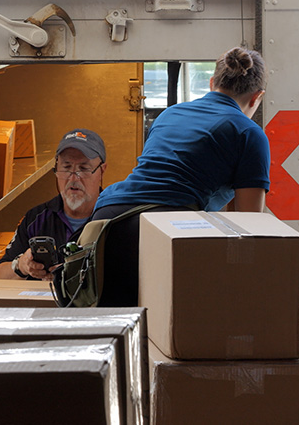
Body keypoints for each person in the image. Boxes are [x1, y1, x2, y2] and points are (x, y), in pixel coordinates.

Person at [91, 47, 270, 306]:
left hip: (108, 217)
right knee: (169, 322)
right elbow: (249, 223)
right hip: (165, 225)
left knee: (110, 320)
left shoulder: (170, 114)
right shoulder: (248, 132)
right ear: (257, 97)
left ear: (212, 83)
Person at [0, 129, 108, 281]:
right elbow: (0, 275)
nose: (73, 178)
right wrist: (21, 266)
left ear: (102, 171)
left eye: (83, 169)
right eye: (66, 168)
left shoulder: (114, 218)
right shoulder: (36, 219)